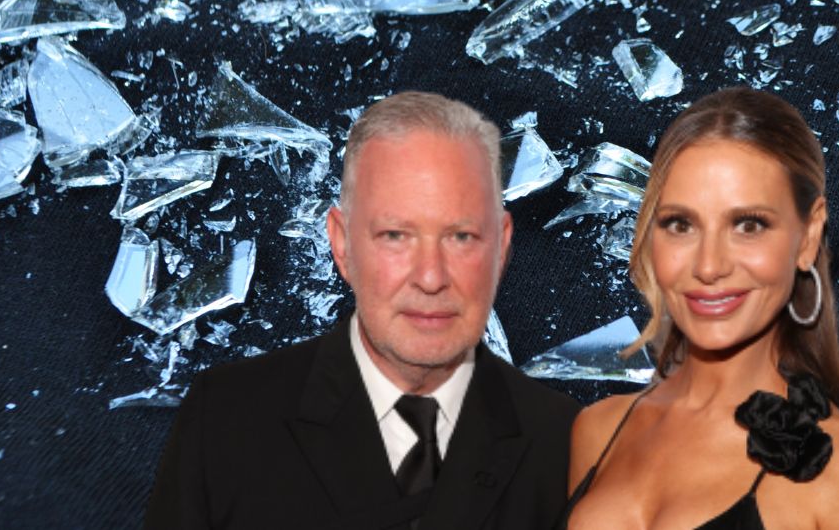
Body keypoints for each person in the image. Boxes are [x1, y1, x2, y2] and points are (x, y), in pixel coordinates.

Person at [145, 91, 579, 530]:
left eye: (461, 236)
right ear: (342, 242)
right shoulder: (225, 417)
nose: (430, 276)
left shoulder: (567, 439)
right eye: (395, 235)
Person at [562, 87, 839, 529]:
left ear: (807, 237)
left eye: (748, 225)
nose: (709, 266)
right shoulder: (597, 430)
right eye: (680, 224)